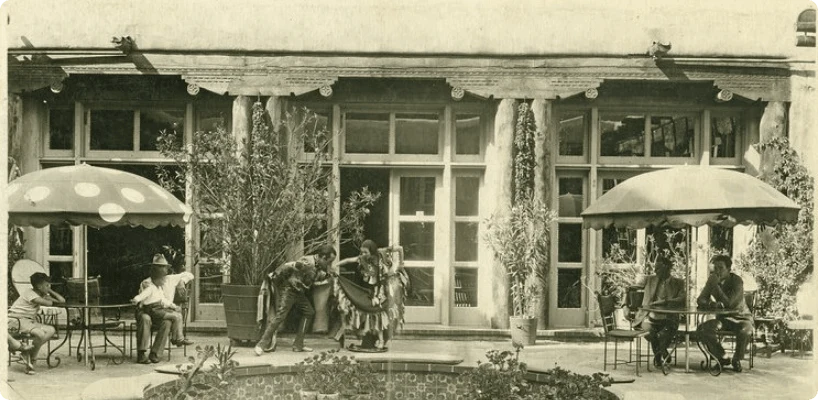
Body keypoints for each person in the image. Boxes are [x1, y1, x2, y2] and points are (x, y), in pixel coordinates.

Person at [254, 245, 336, 356]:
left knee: (309, 312)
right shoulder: (307, 261)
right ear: (323, 257)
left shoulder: (318, 265)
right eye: (329, 262)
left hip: (299, 292)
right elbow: (288, 266)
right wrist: (275, 275)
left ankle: (298, 345)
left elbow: (314, 275)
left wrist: (328, 275)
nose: (329, 265)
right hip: (289, 290)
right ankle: (261, 345)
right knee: (280, 316)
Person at [334, 239, 408, 352]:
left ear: (372, 251)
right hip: (370, 291)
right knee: (367, 312)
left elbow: (400, 248)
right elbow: (349, 260)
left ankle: (381, 340)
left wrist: (401, 264)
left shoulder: (381, 252)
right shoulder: (362, 259)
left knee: (377, 313)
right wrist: (336, 265)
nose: (363, 255)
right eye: (361, 252)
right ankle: (369, 338)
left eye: (365, 252)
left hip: (382, 289)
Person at [696, 254, 754, 372]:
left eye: (721, 268)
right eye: (715, 268)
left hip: (741, 318)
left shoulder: (737, 281)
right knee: (703, 329)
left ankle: (736, 359)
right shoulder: (712, 280)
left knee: (746, 331)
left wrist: (716, 286)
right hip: (723, 319)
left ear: (729, 269)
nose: (717, 271)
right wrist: (711, 304)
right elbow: (700, 299)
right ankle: (722, 357)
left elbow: (730, 304)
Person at [132, 256, 194, 364]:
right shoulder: (147, 283)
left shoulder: (169, 279)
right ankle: (141, 353)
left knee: (167, 322)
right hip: (146, 310)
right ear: (154, 269)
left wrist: (181, 282)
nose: (164, 270)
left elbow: (190, 274)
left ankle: (155, 354)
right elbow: (142, 299)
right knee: (146, 319)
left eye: (165, 267)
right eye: (160, 267)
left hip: (161, 311)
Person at [633, 256, 685, 367]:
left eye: (658, 269)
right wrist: (624, 306)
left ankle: (660, 351)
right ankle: (660, 353)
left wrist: (665, 302)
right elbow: (630, 289)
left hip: (669, 318)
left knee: (665, 333)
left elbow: (682, 299)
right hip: (648, 317)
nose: (655, 271)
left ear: (667, 268)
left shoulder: (678, 282)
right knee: (650, 332)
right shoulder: (649, 279)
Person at [8, 272, 65, 370]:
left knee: (51, 330)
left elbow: (62, 301)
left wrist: (49, 290)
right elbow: (49, 303)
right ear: (39, 286)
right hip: (16, 320)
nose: (49, 286)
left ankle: (28, 355)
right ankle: (31, 357)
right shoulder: (30, 294)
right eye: (47, 285)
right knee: (41, 334)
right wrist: (48, 295)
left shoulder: (41, 294)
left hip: (28, 321)